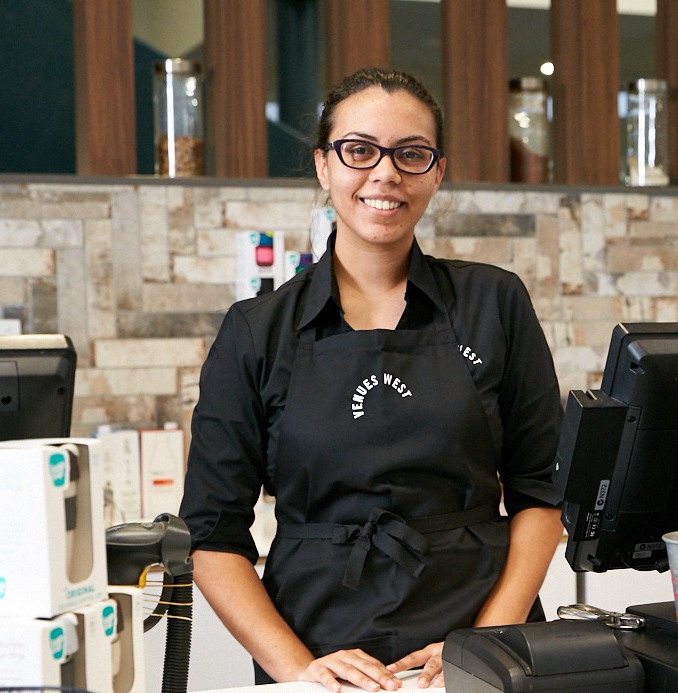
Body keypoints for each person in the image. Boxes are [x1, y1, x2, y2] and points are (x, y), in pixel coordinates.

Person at [180, 67, 565, 692]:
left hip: (480, 646)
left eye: (411, 154)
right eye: (358, 150)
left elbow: (543, 496)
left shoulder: (493, 302)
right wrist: (298, 670)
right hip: (316, 650)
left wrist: (485, 645)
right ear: (324, 166)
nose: (384, 174)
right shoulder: (257, 331)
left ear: (437, 172)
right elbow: (212, 535)